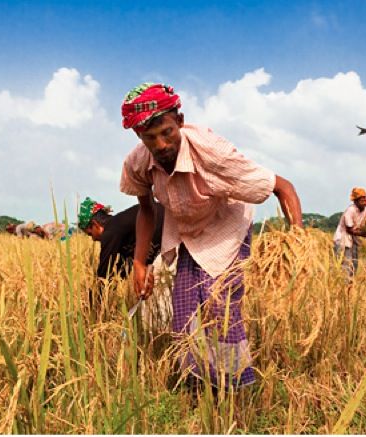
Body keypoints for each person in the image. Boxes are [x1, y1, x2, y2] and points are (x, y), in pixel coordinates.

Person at [118, 83, 303, 390]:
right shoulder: (138, 162)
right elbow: (147, 211)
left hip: (226, 225)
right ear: (139, 137)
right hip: (187, 230)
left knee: (220, 308)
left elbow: (282, 186)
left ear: (179, 120)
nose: (161, 144)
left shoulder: (213, 152)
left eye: (167, 132)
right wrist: (139, 262)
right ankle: (197, 385)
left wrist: (297, 239)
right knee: (185, 310)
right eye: (150, 138)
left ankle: (236, 388)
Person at [78, 197, 164, 280]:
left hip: (166, 229)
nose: (93, 239)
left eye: (90, 234)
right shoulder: (119, 229)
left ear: (95, 224)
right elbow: (123, 270)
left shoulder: (109, 233)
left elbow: (103, 274)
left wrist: (94, 293)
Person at [333, 187, 366, 278]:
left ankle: (350, 287)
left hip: (353, 241)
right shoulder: (350, 210)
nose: (364, 202)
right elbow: (350, 230)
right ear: (355, 201)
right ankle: (342, 287)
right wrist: (364, 234)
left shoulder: (365, 212)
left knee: (355, 265)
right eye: (361, 200)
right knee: (346, 266)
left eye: (364, 200)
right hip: (342, 240)